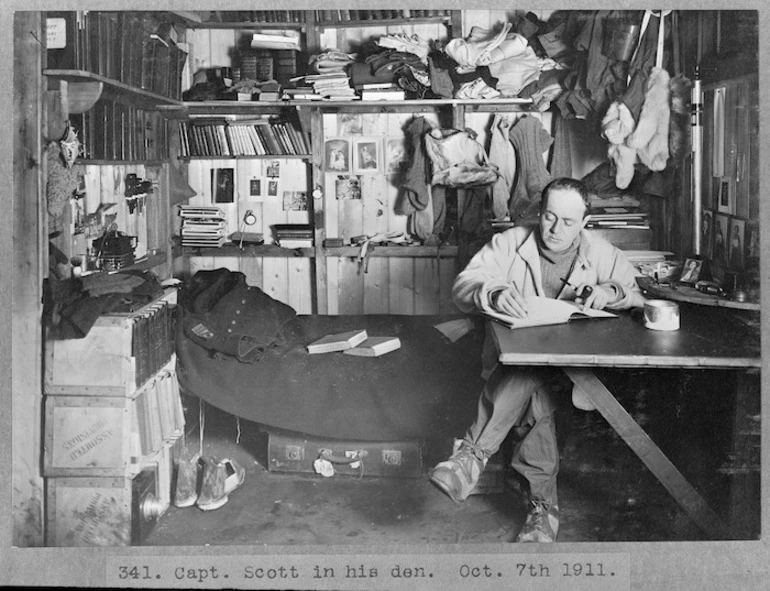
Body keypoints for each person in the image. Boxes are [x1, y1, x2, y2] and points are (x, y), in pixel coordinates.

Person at [429, 177, 644, 543]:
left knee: (528, 376)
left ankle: (471, 457)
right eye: (549, 216)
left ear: (585, 223)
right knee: (532, 386)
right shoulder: (510, 242)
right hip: (524, 370)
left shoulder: (602, 253)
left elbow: (634, 294)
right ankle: (543, 512)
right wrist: (491, 291)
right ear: (539, 212)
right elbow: (464, 285)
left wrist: (609, 291)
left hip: (580, 376)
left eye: (569, 221)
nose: (556, 229)